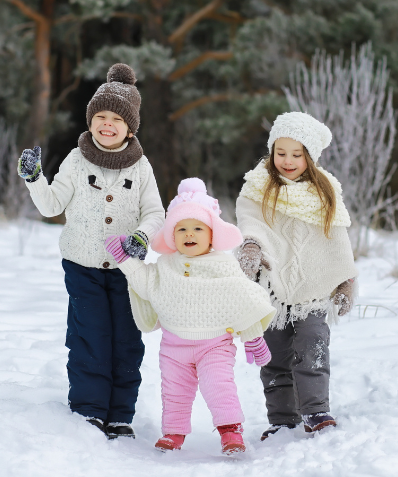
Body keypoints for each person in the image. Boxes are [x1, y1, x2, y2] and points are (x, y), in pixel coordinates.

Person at [16, 63, 165, 439]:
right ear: (90, 120)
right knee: (90, 337)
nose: (107, 124)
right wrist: (35, 179)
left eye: (116, 118)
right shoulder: (76, 159)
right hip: (82, 266)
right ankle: (90, 411)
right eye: (100, 115)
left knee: (126, 342)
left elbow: (155, 213)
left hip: (126, 269)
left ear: (130, 127)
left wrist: (143, 238)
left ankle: (120, 415)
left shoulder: (142, 167)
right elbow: (52, 206)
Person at [104, 178, 275, 455]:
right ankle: (173, 432)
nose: (189, 234)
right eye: (181, 229)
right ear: (172, 235)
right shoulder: (166, 265)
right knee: (174, 391)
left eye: (197, 228)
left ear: (212, 234)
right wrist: (124, 259)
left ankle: (231, 431)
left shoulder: (223, 265)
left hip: (215, 345)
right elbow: (144, 283)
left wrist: (253, 337)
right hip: (174, 346)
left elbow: (242, 299)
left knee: (219, 387)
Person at [234, 112, 358, 440]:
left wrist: (345, 279)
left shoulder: (325, 191)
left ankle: (316, 411)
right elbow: (250, 220)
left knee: (313, 346)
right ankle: (281, 419)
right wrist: (252, 245)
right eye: (281, 152)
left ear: (310, 157)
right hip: (271, 287)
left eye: (296, 154)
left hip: (314, 290)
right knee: (274, 357)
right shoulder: (258, 186)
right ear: (272, 150)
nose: (287, 161)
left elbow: (337, 236)